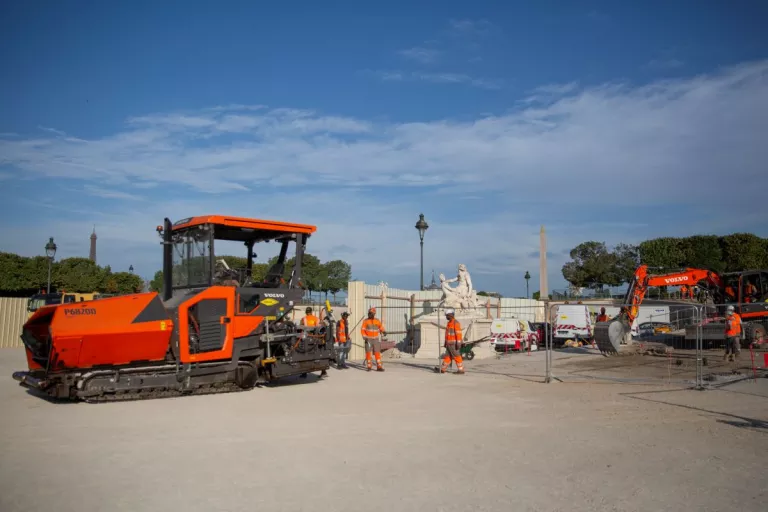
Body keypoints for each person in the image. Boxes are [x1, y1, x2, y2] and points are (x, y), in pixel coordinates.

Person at [299, 307, 327, 379]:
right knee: (319, 355)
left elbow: (300, 328)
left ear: (306, 312)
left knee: (304, 355)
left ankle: (304, 373)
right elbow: (319, 327)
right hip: (316, 338)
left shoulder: (303, 319)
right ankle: (323, 372)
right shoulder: (316, 318)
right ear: (311, 312)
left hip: (306, 339)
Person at [438, 308, 465, 374]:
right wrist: (445, 343)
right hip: (449, 344)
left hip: (454, 344)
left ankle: (461, 370)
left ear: (451, 315)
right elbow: (447, 335)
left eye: (447, 315)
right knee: (448, 357)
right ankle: (442, 369)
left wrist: (459, 344)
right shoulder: (449, 323)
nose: (446, 317)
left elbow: (458, 334)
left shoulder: (455, 323)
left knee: (457, 356)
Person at [361, 307, 386, 372]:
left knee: (377, 353)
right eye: (369, 313)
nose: (369, 314)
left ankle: (379, 367)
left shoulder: (377, 320)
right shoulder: (365, 321)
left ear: (374, 314)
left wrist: (383, 331)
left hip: (376, 340)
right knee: (368, 353)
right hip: (368, 340)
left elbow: (380, 327)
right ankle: (369, 366)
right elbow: (362, 330)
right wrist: (365, 337)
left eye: (371, 313)